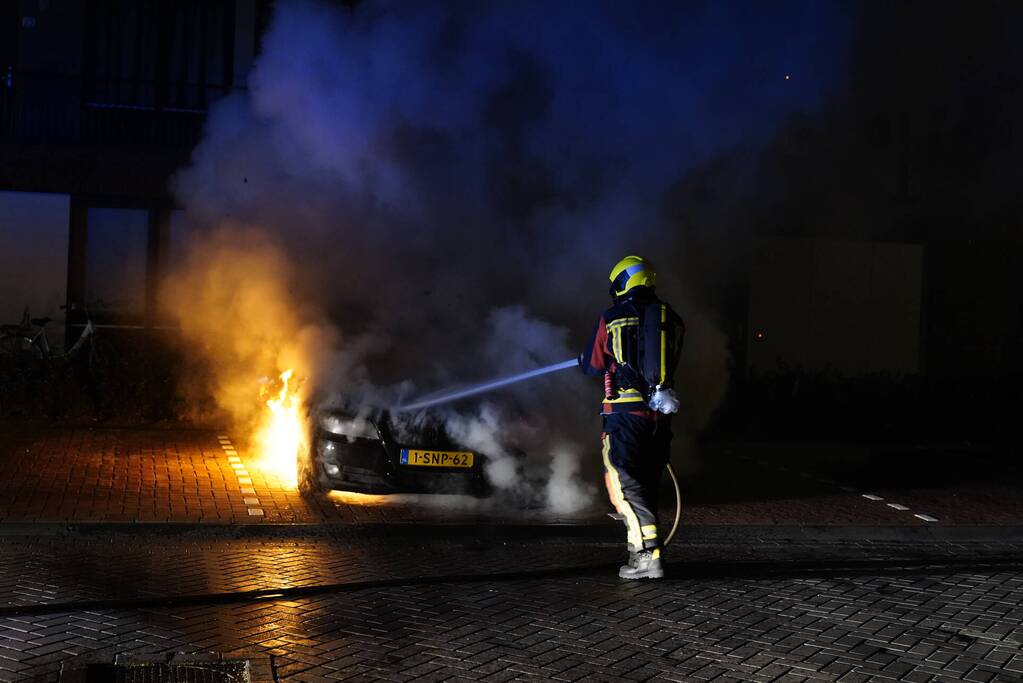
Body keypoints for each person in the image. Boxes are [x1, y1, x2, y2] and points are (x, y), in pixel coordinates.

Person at [579, 255, 684, 579]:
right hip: (659, 417)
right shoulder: (672, 319)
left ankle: (648, 555)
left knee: (623, 481)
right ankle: (641, 552)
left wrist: (584, 358)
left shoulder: (612, 318)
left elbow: (592, 364)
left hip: (624, 417)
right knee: (647, 485)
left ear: (623, 282)